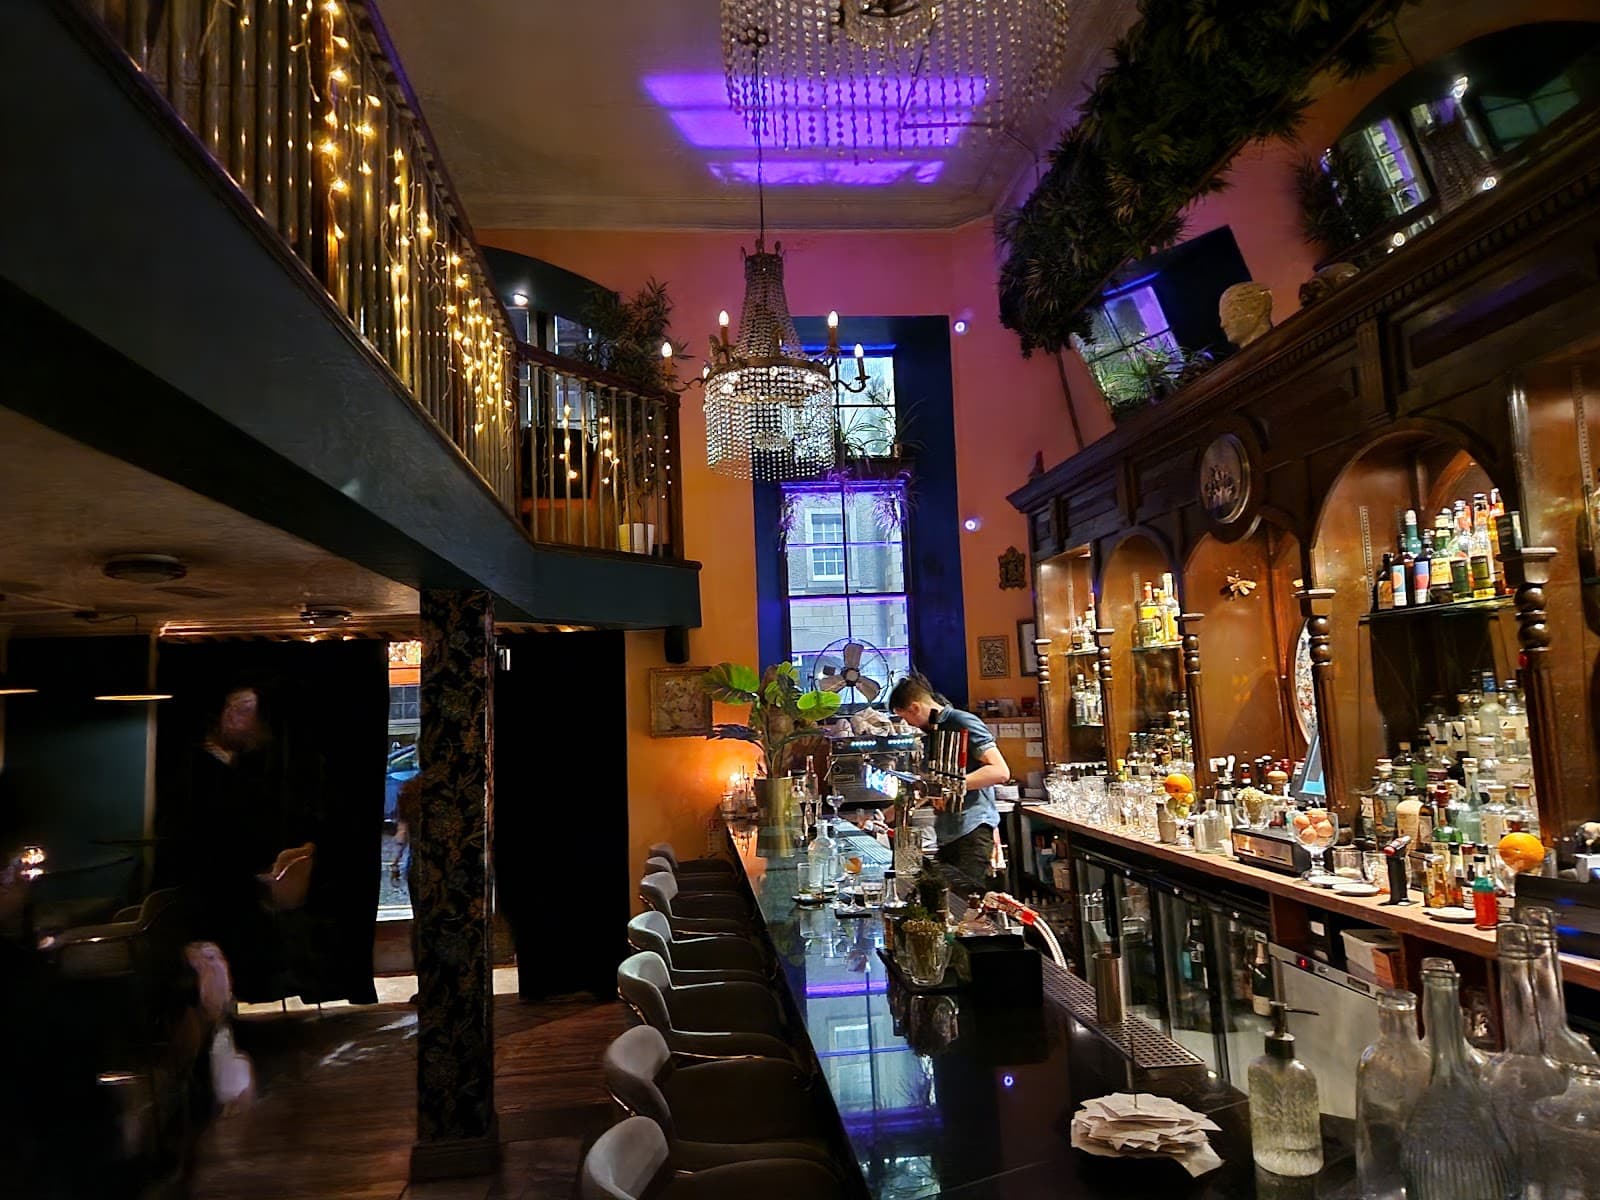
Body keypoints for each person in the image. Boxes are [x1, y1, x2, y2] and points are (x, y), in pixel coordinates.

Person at [889, 678, 1010, 896]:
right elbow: (928, 785)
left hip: (971, 832)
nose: (909, 725)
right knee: (949, 904)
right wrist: (888, 813)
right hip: (948, 834)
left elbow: (999, 771)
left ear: (915, 707)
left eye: (905, 718)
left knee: (969, 908)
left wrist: (949, 787)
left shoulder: (962, 722)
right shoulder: (933, 733)